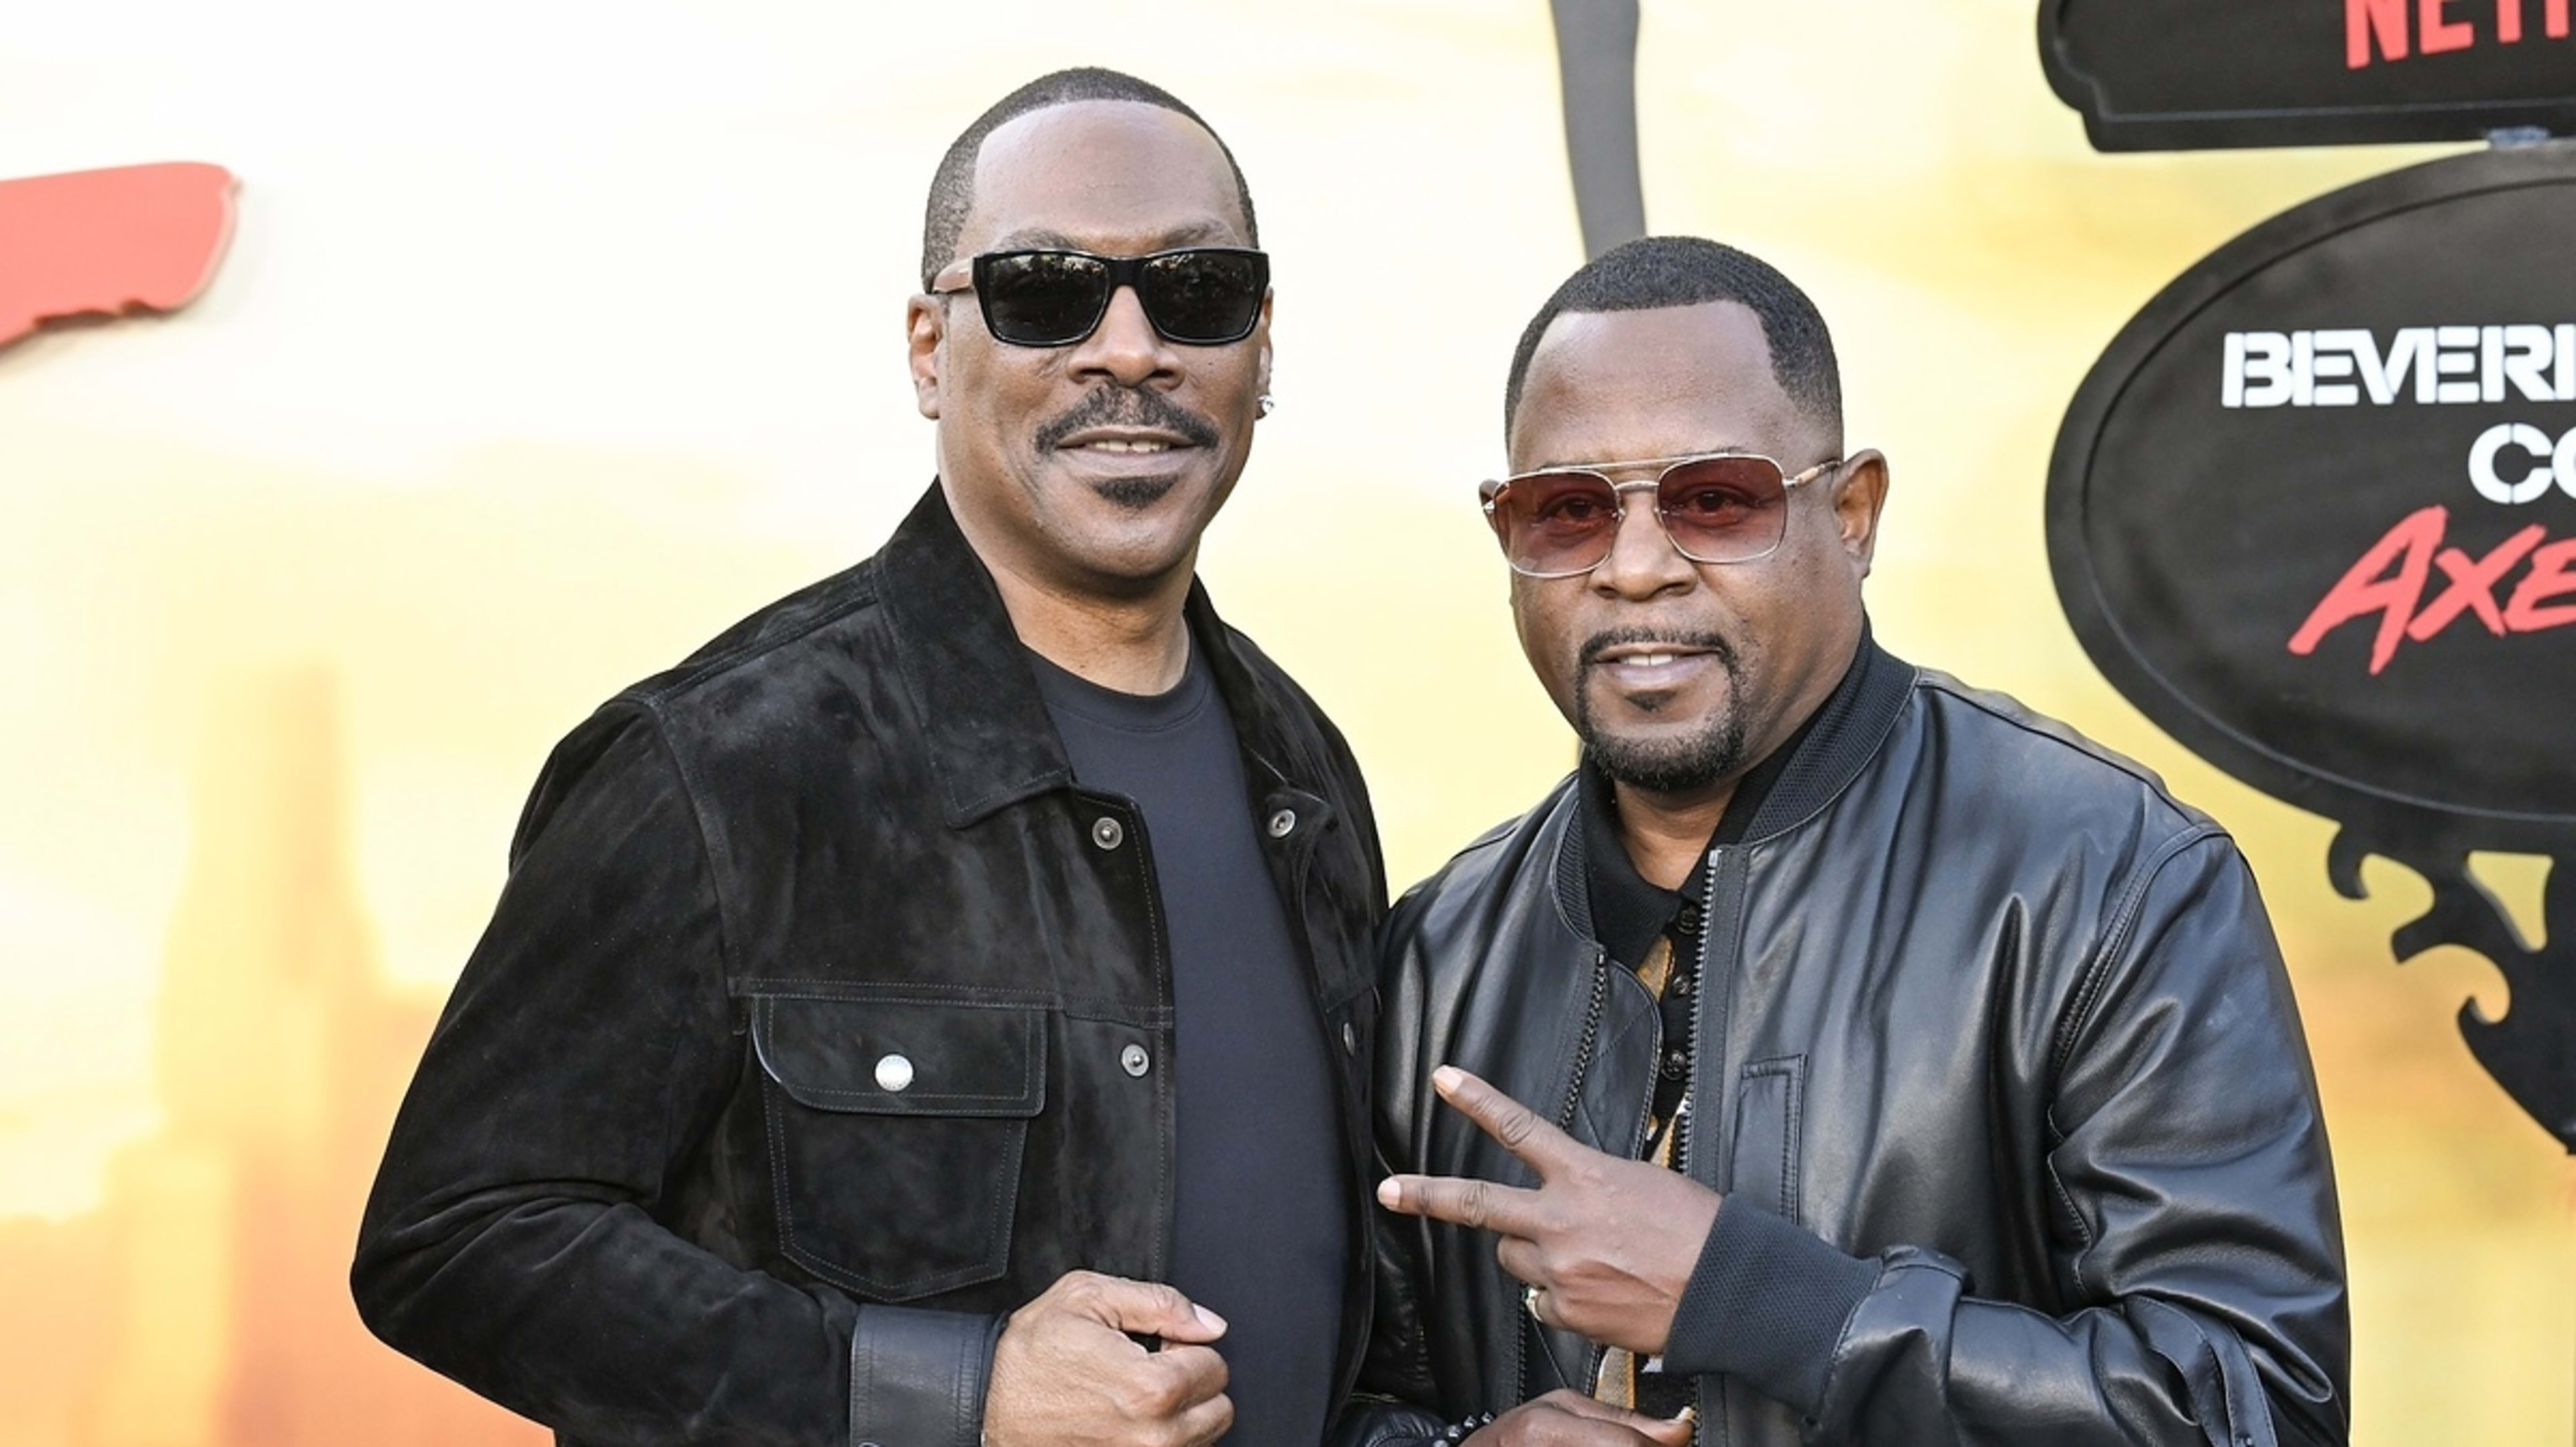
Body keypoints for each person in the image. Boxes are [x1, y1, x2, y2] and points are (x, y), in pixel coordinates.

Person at [353, 67, 1387, 1447]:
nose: (1129, 349)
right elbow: (456, 1234)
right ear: (926, 347)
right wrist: (950, 1394)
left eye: (1194, 291)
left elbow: (1333, 1308)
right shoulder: (716, 765)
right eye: (1045, 289)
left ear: (1260, 345)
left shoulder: (1305, 776)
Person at [1332, 237, 2349, 1447]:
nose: (1639, 567)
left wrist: (1765, 1304)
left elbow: (2256, 1408)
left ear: (1853, 513)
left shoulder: (2109, 883)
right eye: (1569, 512)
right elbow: (1336, 1393)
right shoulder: (1439, 954)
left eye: (1716, 500)